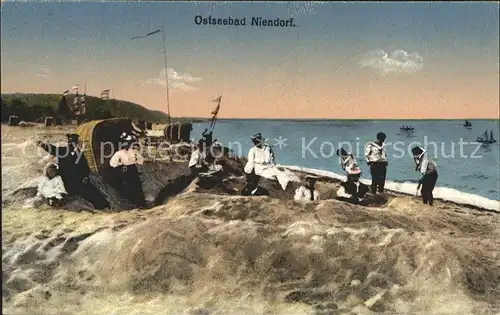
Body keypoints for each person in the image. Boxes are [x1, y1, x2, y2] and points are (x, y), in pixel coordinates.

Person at [37, 133, 110, 210]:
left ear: (76, 143)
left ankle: (103, 207)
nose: (71, 144)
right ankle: (102, 207)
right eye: (70, 142)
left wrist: (85, 176)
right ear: (68, 142)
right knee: (87, 191)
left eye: (73, 142)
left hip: (78, 179)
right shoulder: (63, 151)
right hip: (67, 180)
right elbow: (52, 149)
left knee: (93, 192)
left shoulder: (79, 153)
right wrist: (42, 145)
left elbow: (85, 167)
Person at [109, 132, 146, 208]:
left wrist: (136, 161)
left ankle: (141, 204)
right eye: (124, 143)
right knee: (129, 187)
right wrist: (120, 163)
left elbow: (141, 160)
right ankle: (132, 205)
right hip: (125, 171)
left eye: (127, 143)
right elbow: (112, 163)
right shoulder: (119, 153)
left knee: (137, 186)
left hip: (133, 170)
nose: (126, 145)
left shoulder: (134, 152)